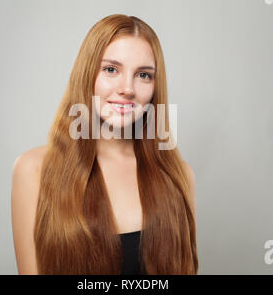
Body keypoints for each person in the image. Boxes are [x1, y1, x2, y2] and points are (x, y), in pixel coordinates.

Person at [11, 14, 198, 275]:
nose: (127, 89)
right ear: (87, 74)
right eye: (111, 69)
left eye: (143, 75)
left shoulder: (178, 175)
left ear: (155, 87)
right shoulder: (33, 170)